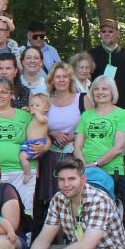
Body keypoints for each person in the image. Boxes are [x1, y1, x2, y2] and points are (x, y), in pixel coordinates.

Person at [0, 78, 41, 213]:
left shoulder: (25, 115)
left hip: (24, 172)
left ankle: (24, 235)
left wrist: (43, 149)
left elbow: (41, 139)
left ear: (12, 94)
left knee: (25, 210)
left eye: (4, 92)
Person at [35, 63, 84, 227]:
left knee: (74, 198)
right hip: (51, 157)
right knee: (53, 200)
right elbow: (38, 127)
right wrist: (53, 133)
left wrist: (73, 136)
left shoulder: (82, 99)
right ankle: (55, 240)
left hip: (74, 156)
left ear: (70, 79)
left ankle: (76, 237)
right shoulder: (46, 101)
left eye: (65, 76)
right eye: (58, 77)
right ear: (52, 80)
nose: (61, 80)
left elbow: (90, 126)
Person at [73, 75, 125, 202]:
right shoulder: (86, 115)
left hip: (112, 172)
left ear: (112, 92)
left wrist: (95, 164)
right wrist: (84, 167)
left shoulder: (122, 114)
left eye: (105, 89)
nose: (100, 92)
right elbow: (77, 146)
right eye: (96, 89)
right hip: (86, 172)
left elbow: (118, 147)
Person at [88, 18, 125, 114]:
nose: (106, 34)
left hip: (122, 108)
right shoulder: (91, 55)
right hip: (97, 108)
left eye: (110, 31)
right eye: (103, 31)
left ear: (117, 33)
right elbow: (86, 82)